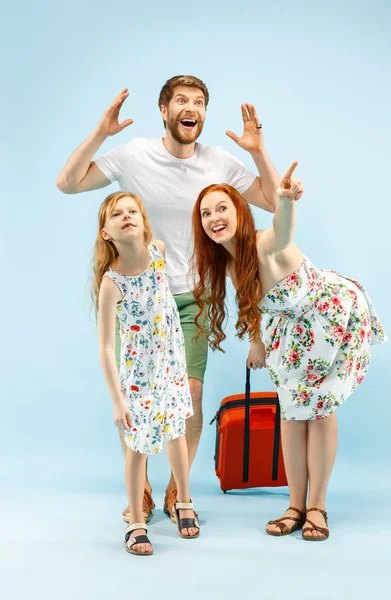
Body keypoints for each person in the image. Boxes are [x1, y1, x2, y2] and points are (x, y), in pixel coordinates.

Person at [56, 75, 281, 523]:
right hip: (138, 299)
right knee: (135, 396)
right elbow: (68, 182)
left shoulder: (219, 161)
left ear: (202, 115)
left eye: (198, 101)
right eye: (181, 100)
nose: (190, 107)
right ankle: (138, 489)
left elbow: (277, 203)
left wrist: (257, 151)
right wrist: (101, 132)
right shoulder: (135, 154)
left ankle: (180, 490)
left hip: (192, 297)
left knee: (190, 396)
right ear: (165, 110)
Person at [190, 162, 387, 541]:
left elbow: (284, 230)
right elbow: (256, 303)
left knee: (321, 410)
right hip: (292, 334)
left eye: (222, 208)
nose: (214, 218)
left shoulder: (264, 242)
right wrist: (256, 341)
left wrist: (284, 198)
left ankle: (318, 506)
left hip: (330, 319)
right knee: (293, 413)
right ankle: (295, 505)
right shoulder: (231, 264)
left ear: (240, 212)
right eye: (205, 213)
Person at [94, 190, 200, 555]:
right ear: (106, 232)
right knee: (137, 448)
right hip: (138, 380)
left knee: (177, 433)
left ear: (142, 220)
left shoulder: (159, 252)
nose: (127, 216)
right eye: (117, 214)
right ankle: (137, 522)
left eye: (132, 211)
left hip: (170, 369)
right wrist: (116, 399)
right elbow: (107, 345)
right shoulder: (112, 284)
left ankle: (184, 499)